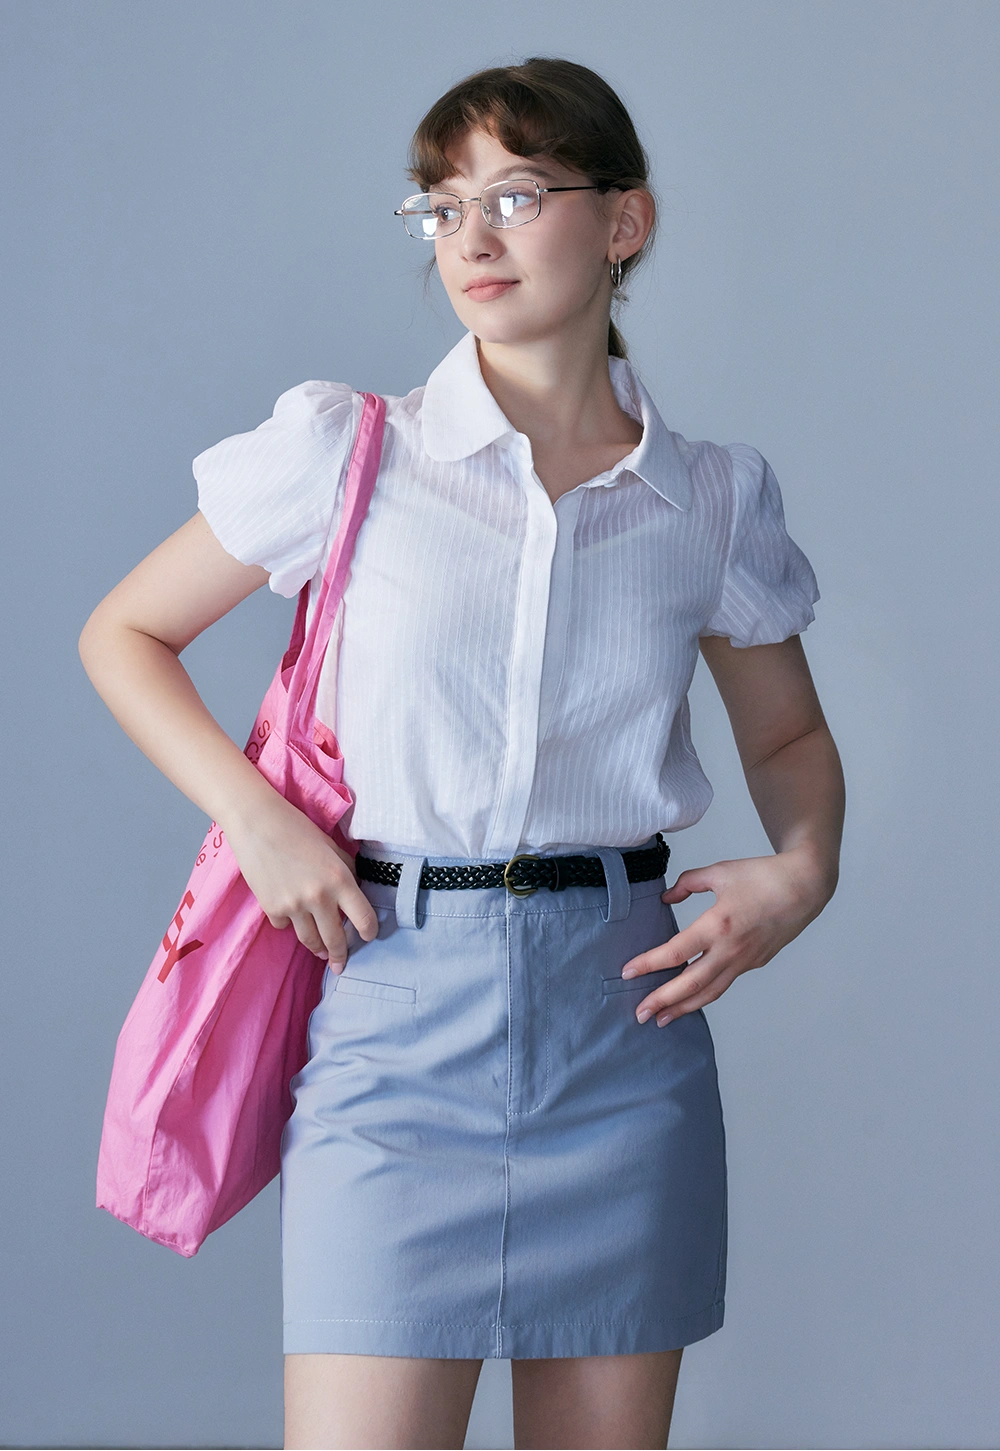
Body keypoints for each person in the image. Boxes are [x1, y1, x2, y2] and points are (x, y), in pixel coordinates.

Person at [78, 55, 844, 1451]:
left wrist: (803, 871)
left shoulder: (713, 498)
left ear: (626, 222)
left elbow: (786, 732)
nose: (470, 238)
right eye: (440, 207)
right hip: (393, 1012)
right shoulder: (348, 452)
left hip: (625, 1029)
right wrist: (258, 821)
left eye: (515, 195)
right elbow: (123, 631)